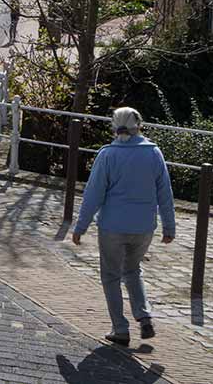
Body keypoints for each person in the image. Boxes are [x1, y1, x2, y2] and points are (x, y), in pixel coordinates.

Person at [72, 106, 175, 347]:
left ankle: (120, 328)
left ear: (114, 126)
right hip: (144, 227)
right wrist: (169, 227)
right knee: (132, 270)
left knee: (110, 275)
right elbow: (165, 194)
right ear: (139, 125)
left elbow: (93, 194)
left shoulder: (108, 155)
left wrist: (81, 226)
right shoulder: (154, 154)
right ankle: (144, 314)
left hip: (112, 227)